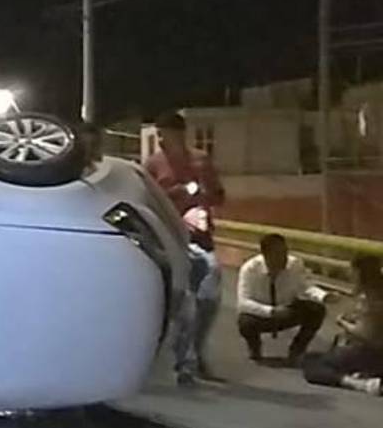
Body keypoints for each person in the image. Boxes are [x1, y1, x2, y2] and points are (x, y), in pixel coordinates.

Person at [144, 110, 225, 385]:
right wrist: (177, 193)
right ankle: (183, 362)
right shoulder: (152, 165)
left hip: (199, 236)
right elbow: (148, 201)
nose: (164, 139)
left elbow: (219, 195)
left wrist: (204, 192)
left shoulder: (201, 160)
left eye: (168, 133)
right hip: (169, 237)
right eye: (161, 133)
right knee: (181, 300)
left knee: (210, 294)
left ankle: (196, 351)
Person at [236, 233, 330, 364]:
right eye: (278, 254)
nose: (284, 258)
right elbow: (243, 303)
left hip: (288, 310)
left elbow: (304, 287)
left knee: (317, 310)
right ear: (265, 254)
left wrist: (323, 296)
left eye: (285, 252)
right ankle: (254, 348)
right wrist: (271, 311)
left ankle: (297, 350)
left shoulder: (295, 264)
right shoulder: (249, 269)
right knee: (245, 321)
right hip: (263, 314)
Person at [302, 254, 383, 395]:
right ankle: (366, 373)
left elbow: (367, 334)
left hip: (371, 350)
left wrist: (343, 323)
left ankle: (359, 384)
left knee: (311, 363)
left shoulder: (370, 298)